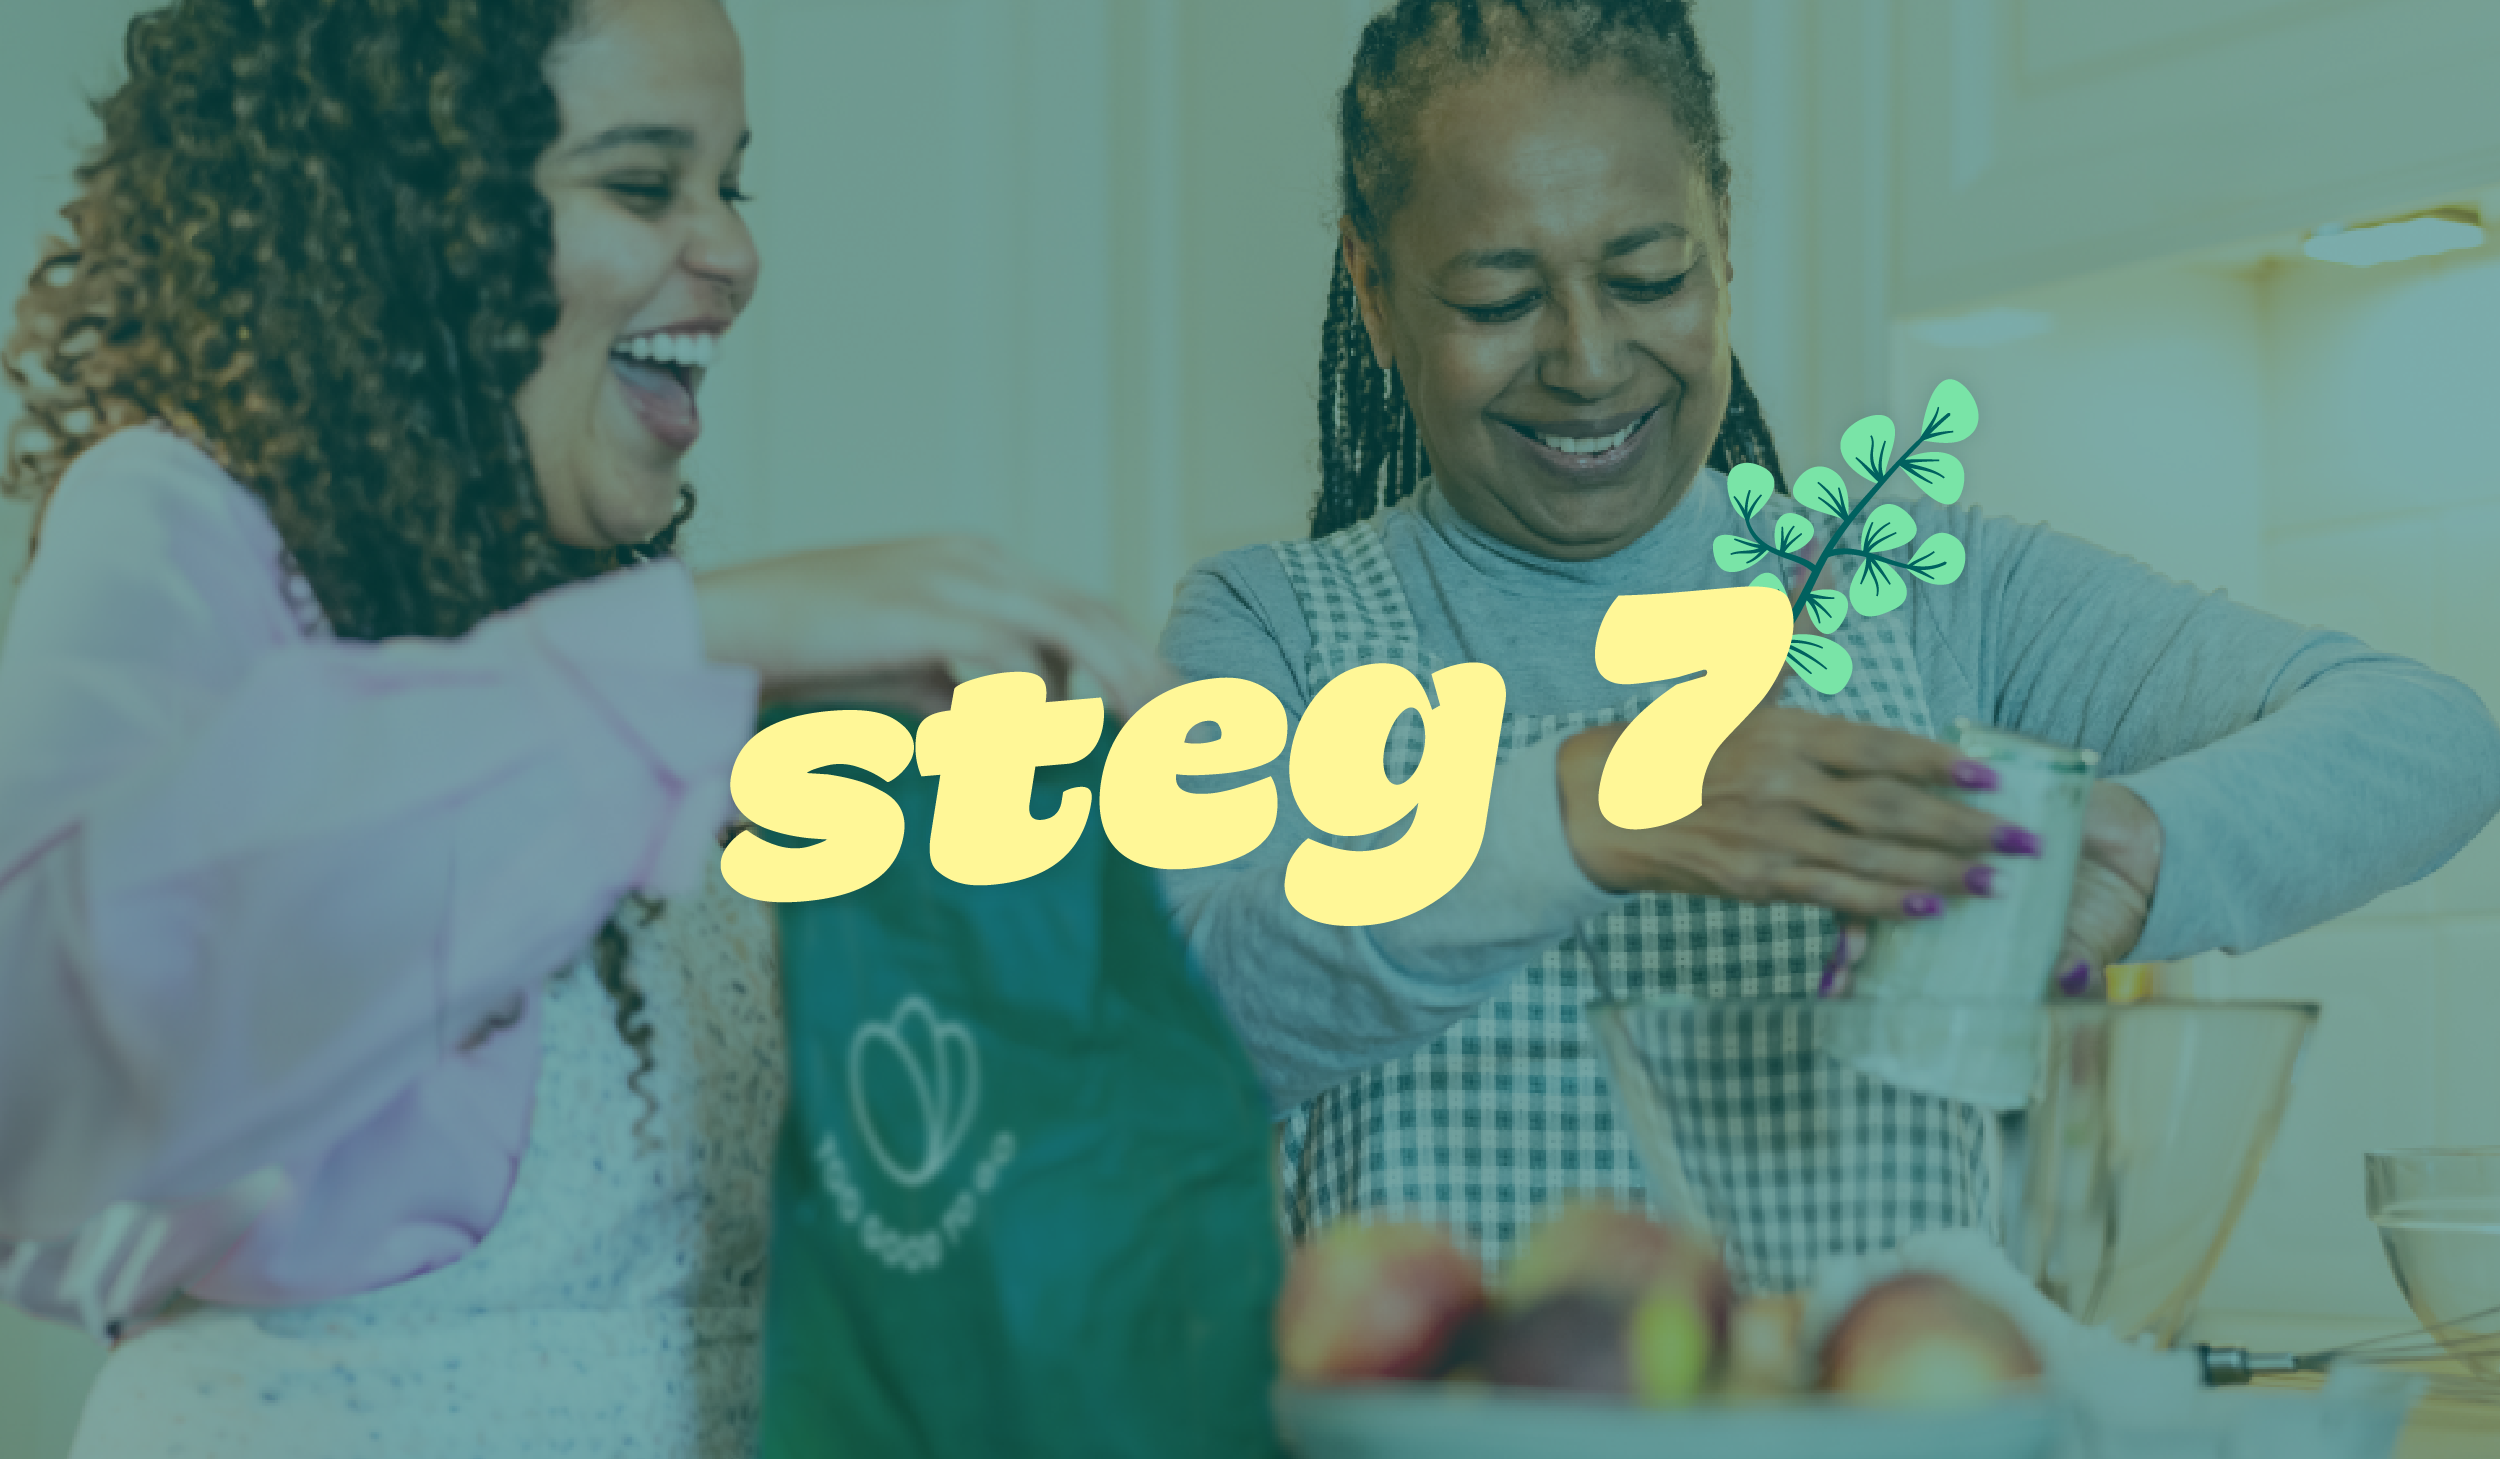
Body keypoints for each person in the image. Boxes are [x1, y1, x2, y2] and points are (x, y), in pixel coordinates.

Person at [1158, 0, 2500, 1268]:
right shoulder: (1276, 629)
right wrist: (1589, 810)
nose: (1585, 358)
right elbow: (1187, 1013)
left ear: (1723, 236)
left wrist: (2124, 855)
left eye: (1647, 274)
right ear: (1375, 289)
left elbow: (2428, 734)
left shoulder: (1918, 589)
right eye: (1499, 300)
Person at [0, 0, 1165, 1453]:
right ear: (400, 219)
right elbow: (41, 1057)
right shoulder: (174, 522)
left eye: (728, 182)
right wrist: (689, 643)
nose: (736, 254)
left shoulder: (609, 626)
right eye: (641, 182)